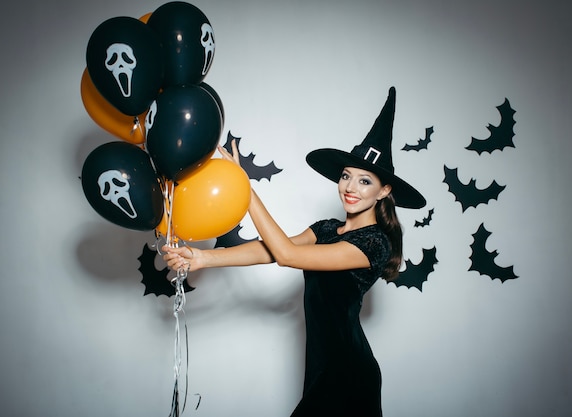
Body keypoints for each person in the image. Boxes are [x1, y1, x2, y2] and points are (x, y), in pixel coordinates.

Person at [163, 87, 426, 417]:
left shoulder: (374, 244)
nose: (349, 187)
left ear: (384, 190)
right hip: (321, 366)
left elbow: (287, 255)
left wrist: (243, 188)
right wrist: (204, 258)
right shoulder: (328, 229)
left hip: (348, 373)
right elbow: (272, 250)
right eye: (346, 176)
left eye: (364, 181)